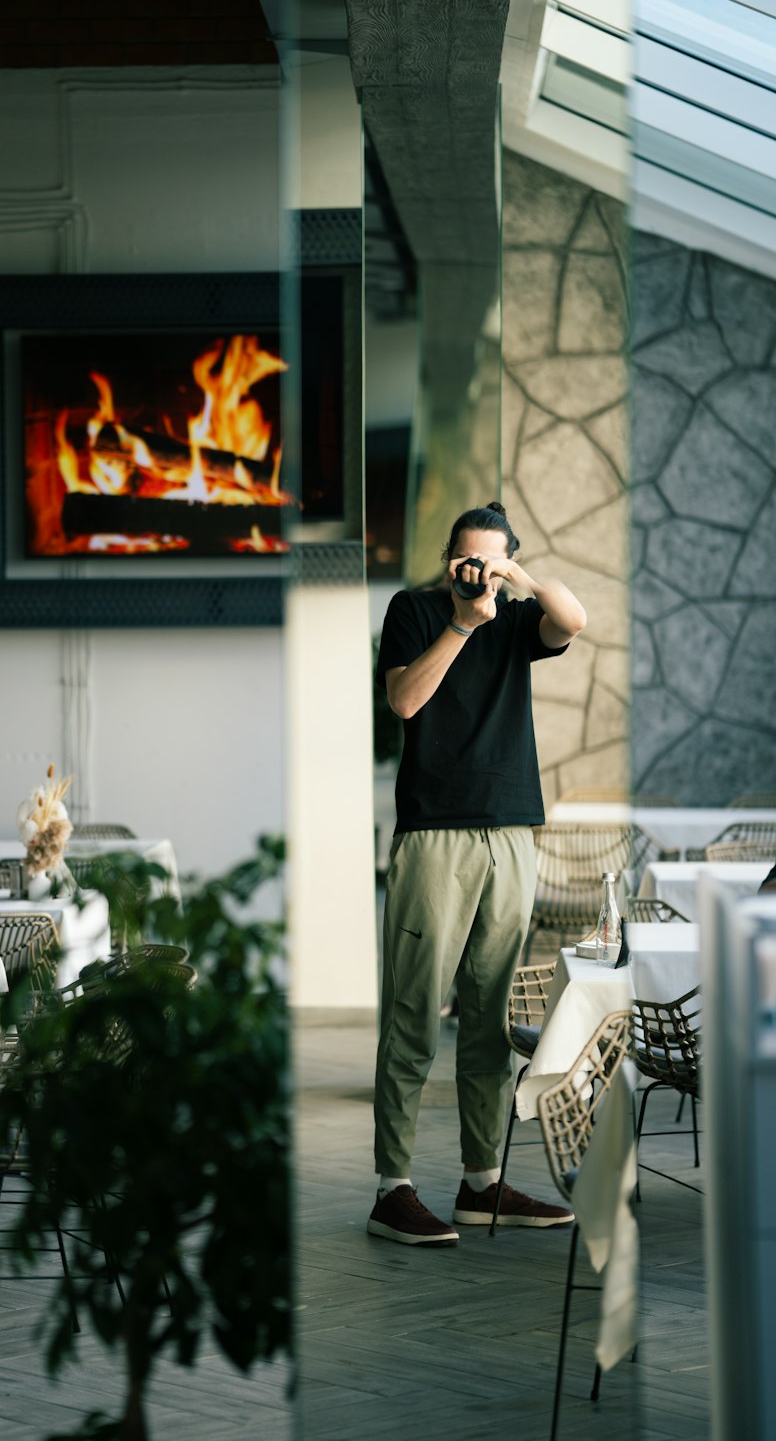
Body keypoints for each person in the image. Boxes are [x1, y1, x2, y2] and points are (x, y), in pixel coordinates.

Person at [368, 501, 587, 1246]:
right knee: (414, 1013)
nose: (475, 572)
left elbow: (575, 619)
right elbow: (404, 700)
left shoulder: (520, 619)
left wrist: (512, 584)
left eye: (490, 561)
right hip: (434, 835)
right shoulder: (414, 610)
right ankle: (391, 1188)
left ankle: (481, 1185)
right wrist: (462, 620)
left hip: (511, 836)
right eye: (467, 560)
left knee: (490, 1020)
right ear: (448, 558)